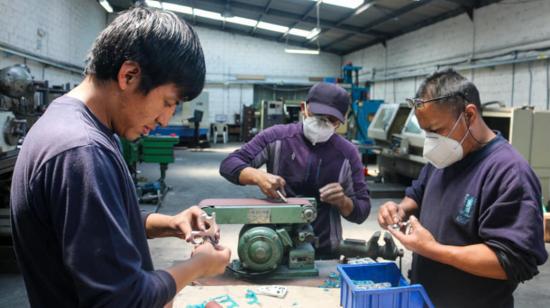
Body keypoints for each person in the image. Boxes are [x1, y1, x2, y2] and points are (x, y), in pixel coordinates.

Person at [10, 7, 230, 307]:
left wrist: (169, 223)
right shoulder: (82, 151)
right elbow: (123, 300)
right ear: (129, 75)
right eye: (168, 102)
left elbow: (92, 230)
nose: (166, 119)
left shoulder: (69, 122)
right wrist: (198, 266)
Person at [378, 69, 548, 308]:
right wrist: (399, 209)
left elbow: (512, 262)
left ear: (469, 115)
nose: (431, 142)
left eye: (436, 130)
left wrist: (433, 250)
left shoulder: (509, 173)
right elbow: (418, 193)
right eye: (425, 132)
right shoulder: (445, 156)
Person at [219, 82, 371, 258]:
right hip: (272, 247)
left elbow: (362, 211)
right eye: (318, 114)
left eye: (331, 119)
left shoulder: (347, 154)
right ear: (304, 108)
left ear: (342, 121)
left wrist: (343, 202)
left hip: (325, 252)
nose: (323, 122)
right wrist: (257, 176)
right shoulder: (276, 138)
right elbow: (229, 164)